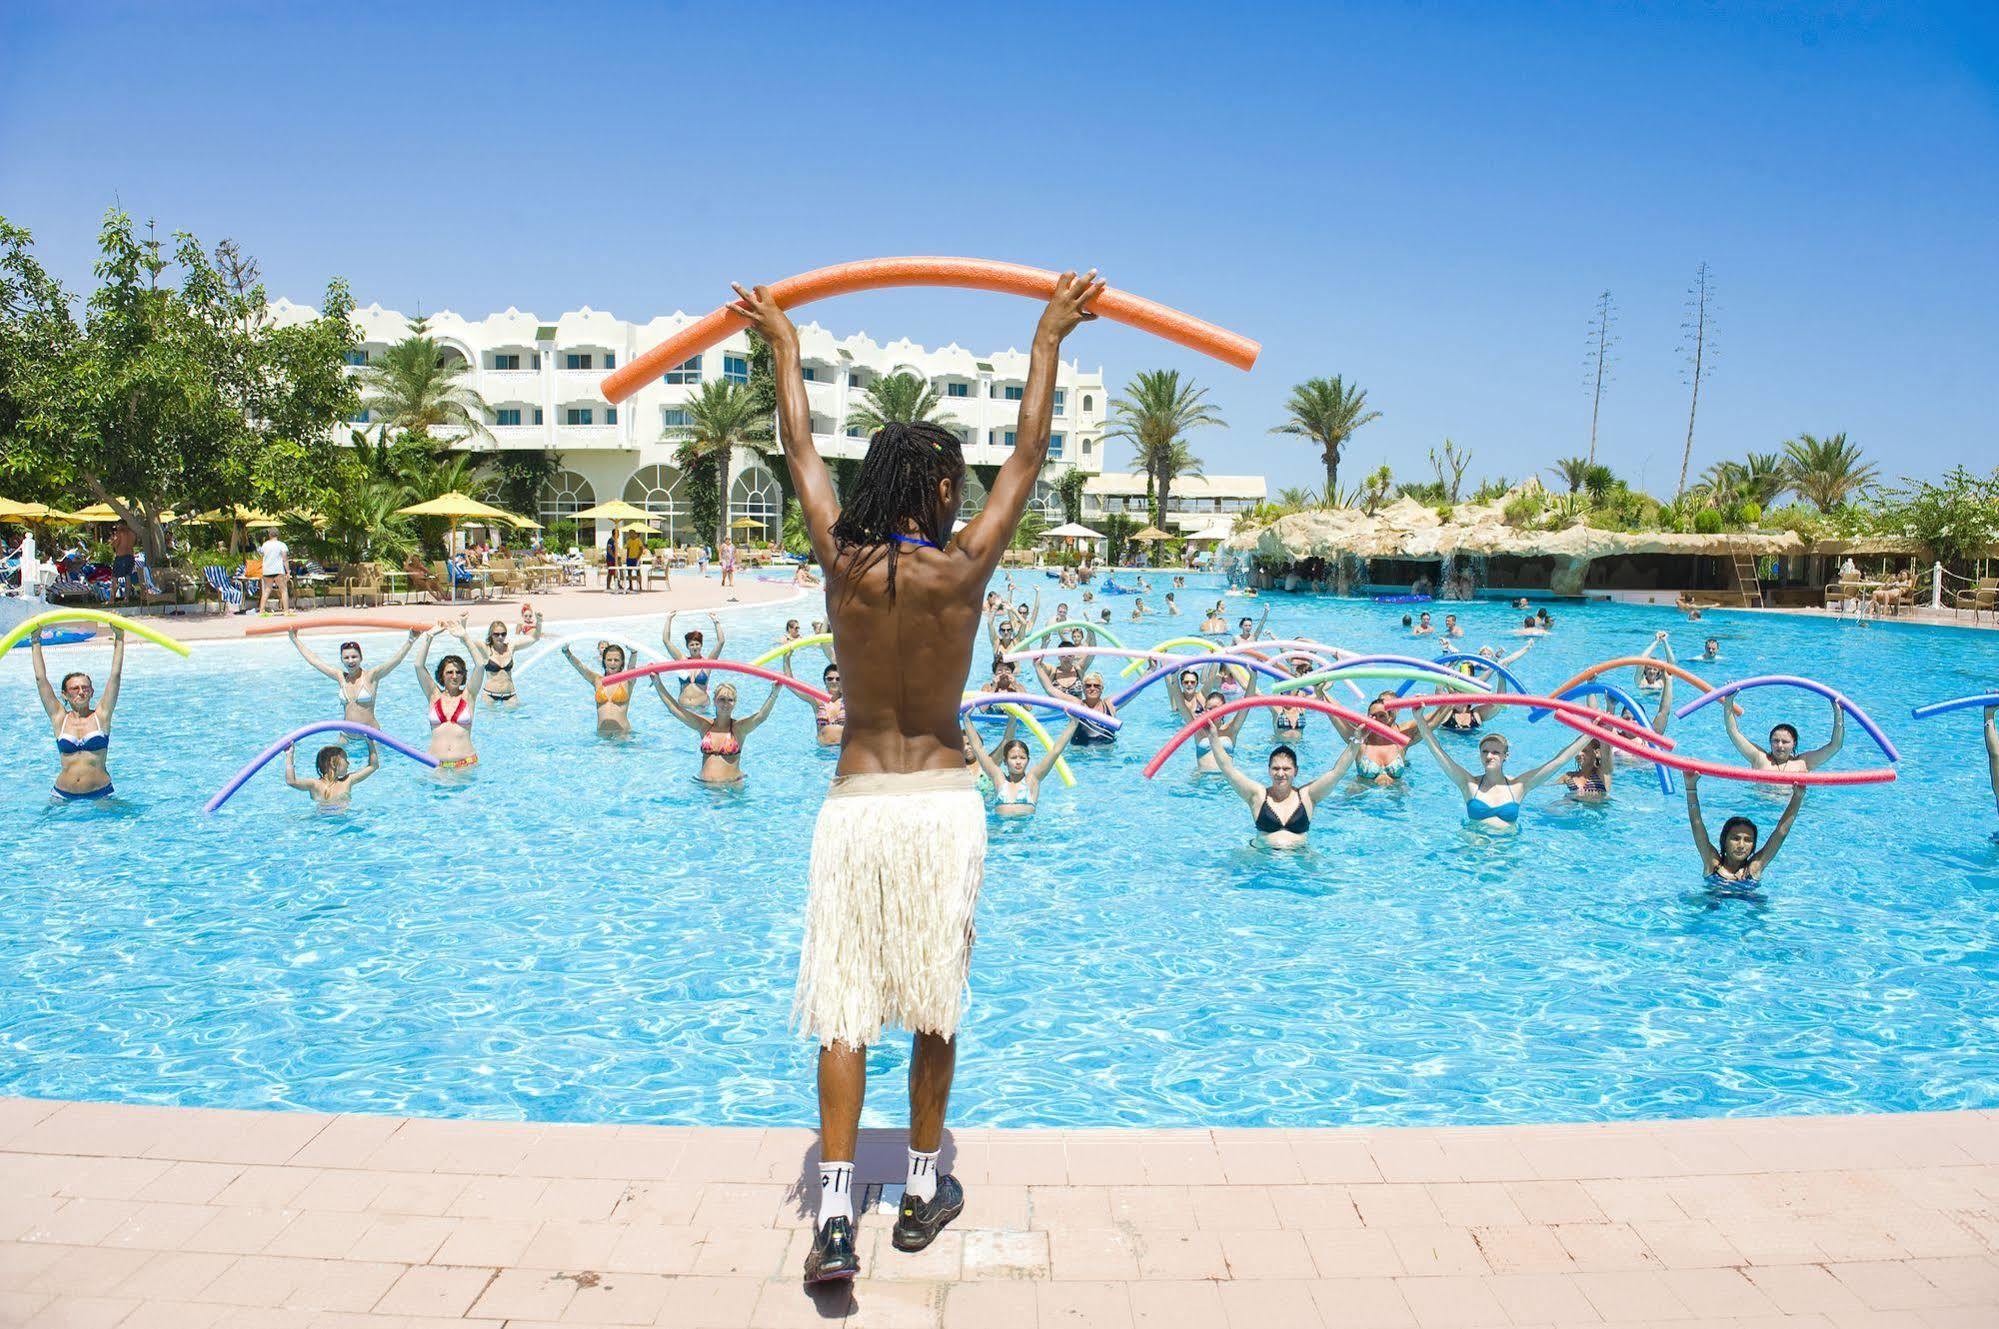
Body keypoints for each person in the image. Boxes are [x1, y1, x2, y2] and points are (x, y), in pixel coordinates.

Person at [731, 268, 1102, 1282]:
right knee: (933, 1001)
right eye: (951, 481)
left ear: (873, 488)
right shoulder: (964, 568)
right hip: (941, 804)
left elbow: (798, 448)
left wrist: (784, 344)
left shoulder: (838, 566)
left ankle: (839, 1214)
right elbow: (1030, 454)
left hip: (854, 803)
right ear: (939, 491)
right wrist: (1044, 338)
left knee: (844, 1006)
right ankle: (926, 1188)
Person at [1413, 712, 1591, 831]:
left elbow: (1558, 761)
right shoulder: (1469, 783)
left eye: (1495, 752)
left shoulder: (1518, 786)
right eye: (1484, 751)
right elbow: (1438, 752)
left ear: (1506, 756)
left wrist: (1590, 733)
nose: (1489, 756)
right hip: (1474, 856)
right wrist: (1419, 717)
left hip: (1507, 854)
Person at [32, 627, 124, 801]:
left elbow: (115, 675)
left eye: (85, 687)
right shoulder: (60, 718)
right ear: (65, 695)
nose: (81, 692)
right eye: (75, 688)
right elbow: (40, 679)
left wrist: (119, 637)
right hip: (62, 795)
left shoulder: (101, 716)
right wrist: (35, 640)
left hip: (101, 794)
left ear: (91, 691)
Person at [1211, 740, 1357, 847]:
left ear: (1296, 771)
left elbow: (1337, 772)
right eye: (1275, 768)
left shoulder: (1307, 795)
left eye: (1286, 769)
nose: (1280, 773)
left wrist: (1357, 740)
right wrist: (1212, 736)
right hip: (1262, 856)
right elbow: (1228, 770)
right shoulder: (1258, 795)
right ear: (1269, 770)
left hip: (1299, 857)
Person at [1686, 771, 1805, 888]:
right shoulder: (1712, 863)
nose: (1741, 845)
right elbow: (1696, 823)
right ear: (1724, 841)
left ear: (1753, 845)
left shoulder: (1754, 868)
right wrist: (1690, 787)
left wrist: (1798, 796)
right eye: (1735, 838)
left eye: (1748, 840)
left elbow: (1781, 831)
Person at [288, 628, 419, 733]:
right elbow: (315, 661)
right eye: (346, 658)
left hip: (371, 736)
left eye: (354, 656)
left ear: (361, 658)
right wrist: (294, 639)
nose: (350, 661)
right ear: (341, 660)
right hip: (346, 736)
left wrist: (410, 640)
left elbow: (395, 660)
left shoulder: (371, 676)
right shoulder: (341, 677)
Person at [653, 678, 780, 782]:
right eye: (721, 699)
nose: (725, 704)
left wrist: (774, 693)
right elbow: (675, 709)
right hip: (704, 788)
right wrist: (657, 682)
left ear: (735, 703)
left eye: (730, 700)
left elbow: (761, 716)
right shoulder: (704, 726)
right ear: (714, 701)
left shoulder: (739, 728)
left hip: (731, 789)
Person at [965, 718, 1078, 818]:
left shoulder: (1032, 779)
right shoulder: (998, 779)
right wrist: (967, 719)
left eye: (1022, 758)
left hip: (1026, 837)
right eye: (1013, 758)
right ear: (1005, 761)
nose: (1018, 762)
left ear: (1028, 761)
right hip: (1000, 835)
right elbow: (977, 749)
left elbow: (1055, 751)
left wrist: (1073, 722)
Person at [414, 623, 481, 771]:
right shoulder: (433, 695)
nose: (454, 676)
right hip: (436, 765)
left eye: (459, 672)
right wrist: (429, 636)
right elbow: (419, 665)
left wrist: (465, 638)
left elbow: (480, 665)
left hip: (465, 765)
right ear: (441, 676)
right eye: (449, 672)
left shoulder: (468, 695)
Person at [1724, 699, 1845, 774]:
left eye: (1785, 742)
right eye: (1775, 741)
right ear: (1770, 742)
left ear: (1794, 744)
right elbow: (1733, 732)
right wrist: (1729, 701)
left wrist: (1838, 713)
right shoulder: (1759, 758)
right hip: (1760, 806)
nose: (1779, 745)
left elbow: (1835, 746)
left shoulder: (1804, 762)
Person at [560, 641, 638, 737]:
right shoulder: (597, 680)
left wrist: (634, 653)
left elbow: (632, 668)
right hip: (602, 735)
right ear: (604, 661)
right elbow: (581, 668)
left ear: (622, 662)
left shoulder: (626, 681)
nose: (612, 663)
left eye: (616, 660)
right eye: (609, 660)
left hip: (623, 734)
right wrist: (566, 652)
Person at [468, 614, 541, 705]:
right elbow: (466, 641)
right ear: (491, 635)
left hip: (510, 695)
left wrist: (539, 621)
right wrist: (463, 623)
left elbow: (535, 638)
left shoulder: (511, 647)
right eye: (497, 634)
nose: (500, 637)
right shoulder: (485, 648)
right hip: (490, 695)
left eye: (503, 634)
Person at [284, 738, 378, 807]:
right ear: (333, 762)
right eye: (345, 759)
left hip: (344, 823)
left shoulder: (348, 780)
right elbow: (291, 781)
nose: (348, 763)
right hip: (321, 824)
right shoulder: (315, 784)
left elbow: (373, 766)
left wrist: (370, 743)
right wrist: (289, 755)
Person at [662, 612, 725, 710]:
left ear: (701, 645)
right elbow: (666, 641)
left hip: (702, 708)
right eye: (692, 645)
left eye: (697, 644)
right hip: (683, 708)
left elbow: (721, 642)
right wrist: (668, 619)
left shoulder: (707, 663)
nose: (695, 647)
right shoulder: (682, 661)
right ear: (687, 647)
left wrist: (716, 622)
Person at [257, 529, 291, 615]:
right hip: (278, 570)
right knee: (283, 590)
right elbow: (285, 559)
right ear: (278, 535)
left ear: (269, 535)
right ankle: (286, 610)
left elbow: (261, 555)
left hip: (267, 570)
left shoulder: (265, 545)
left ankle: (261, 610)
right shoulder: (282, 545)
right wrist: (288, 571)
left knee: (267, 590)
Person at [109, 520, 137, 600]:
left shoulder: (120, 532)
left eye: (117, 526)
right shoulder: (133, 533)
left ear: (120, 525)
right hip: (130, 556)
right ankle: (126, 598)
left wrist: (112, 540)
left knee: (115, 578)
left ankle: (111, 599)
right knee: (128, 577)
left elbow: (115, 544)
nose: (117, 527)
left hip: (121, 557)